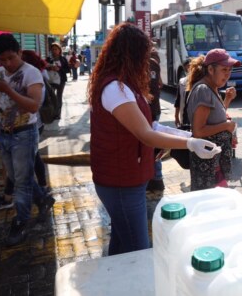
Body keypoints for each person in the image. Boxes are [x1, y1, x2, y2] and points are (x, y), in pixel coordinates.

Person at [87, 23, 220, 256]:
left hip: (127, 178)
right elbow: (146, 135)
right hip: (120, 182)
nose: (147, 63)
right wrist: (190, 144)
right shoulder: (115, 89)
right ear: (131, 55)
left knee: (121, 244)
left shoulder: (126, 85)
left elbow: (149, 125)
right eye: (144, 56)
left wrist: (185, 135)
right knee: (138, 251)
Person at [0, 34, 55, 246]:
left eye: (11, 58)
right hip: (5, 132)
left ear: (19, 52)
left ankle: (20, 222)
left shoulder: (31, 73)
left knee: (22, 182)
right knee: (18, 177)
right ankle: (43, 199)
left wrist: (8, 88)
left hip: (24, 133)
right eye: (2, 59)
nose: (7, 64)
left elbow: (34, 105)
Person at [185, 49, 238, 191]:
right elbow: (198, 131)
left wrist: (227, 100)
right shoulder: (203, 90)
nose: (227, 74)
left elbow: (214, 118)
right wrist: (226, 126)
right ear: (210, 69)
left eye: (230, 70)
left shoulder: (212, 88)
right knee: (210, 206)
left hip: (214, 163)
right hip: (208, 167)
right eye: (224, 69)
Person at [147, 49, 165, 192]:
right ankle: (157, 179)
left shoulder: (138, 64)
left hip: (148, 111)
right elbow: (160, 83)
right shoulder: (154, 64)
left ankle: (155, 179)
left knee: (150, 146)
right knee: (154, 146)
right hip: (155, 110)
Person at [46, 42, 70, 120]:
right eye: (52, 49)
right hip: (51, 80)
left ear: (59, 50)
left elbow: (68, 70)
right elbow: (44, 67)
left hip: (61, 80)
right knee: (51, 97)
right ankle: (51, 113)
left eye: (56, 49)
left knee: (59, 97)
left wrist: (59, 69)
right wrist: (50, 67)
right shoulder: (48, 59)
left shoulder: (63, 59)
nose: (54, 51)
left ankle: (57, 114)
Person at [174, 59, 191, 128]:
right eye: (187, 67)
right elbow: (178, 101)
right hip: (185, 119)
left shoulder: (202, 83)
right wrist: (176, 117)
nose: (189, 68)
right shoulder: (182, 82)